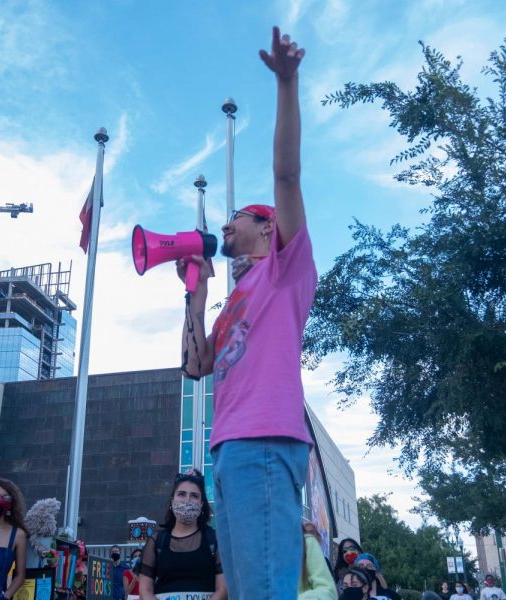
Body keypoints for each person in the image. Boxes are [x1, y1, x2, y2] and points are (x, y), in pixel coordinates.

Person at [177, 25, 317, 600]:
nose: (225, 225)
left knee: (265, 590)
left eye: (238, 216)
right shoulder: (234, 300)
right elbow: (194, 367)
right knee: (247, 589)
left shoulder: (285, 268)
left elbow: (287, 175)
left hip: (265, 438)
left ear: (266, 227)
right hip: (229, 448)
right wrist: (195, 291)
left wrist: (286, 81)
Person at [138, 469, 226, 600]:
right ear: (172, 500)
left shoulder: (215, 540)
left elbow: (223, 589)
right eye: (182, 494)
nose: (187, 500)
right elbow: (145, 590)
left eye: (194, 496)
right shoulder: (156, 541)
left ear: (202, 504)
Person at [299, 523, 337, 600]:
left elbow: (327, 590)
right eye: (307, 532)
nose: (308, 535)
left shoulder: (309, 543)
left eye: (311, 532)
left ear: (319, 536)